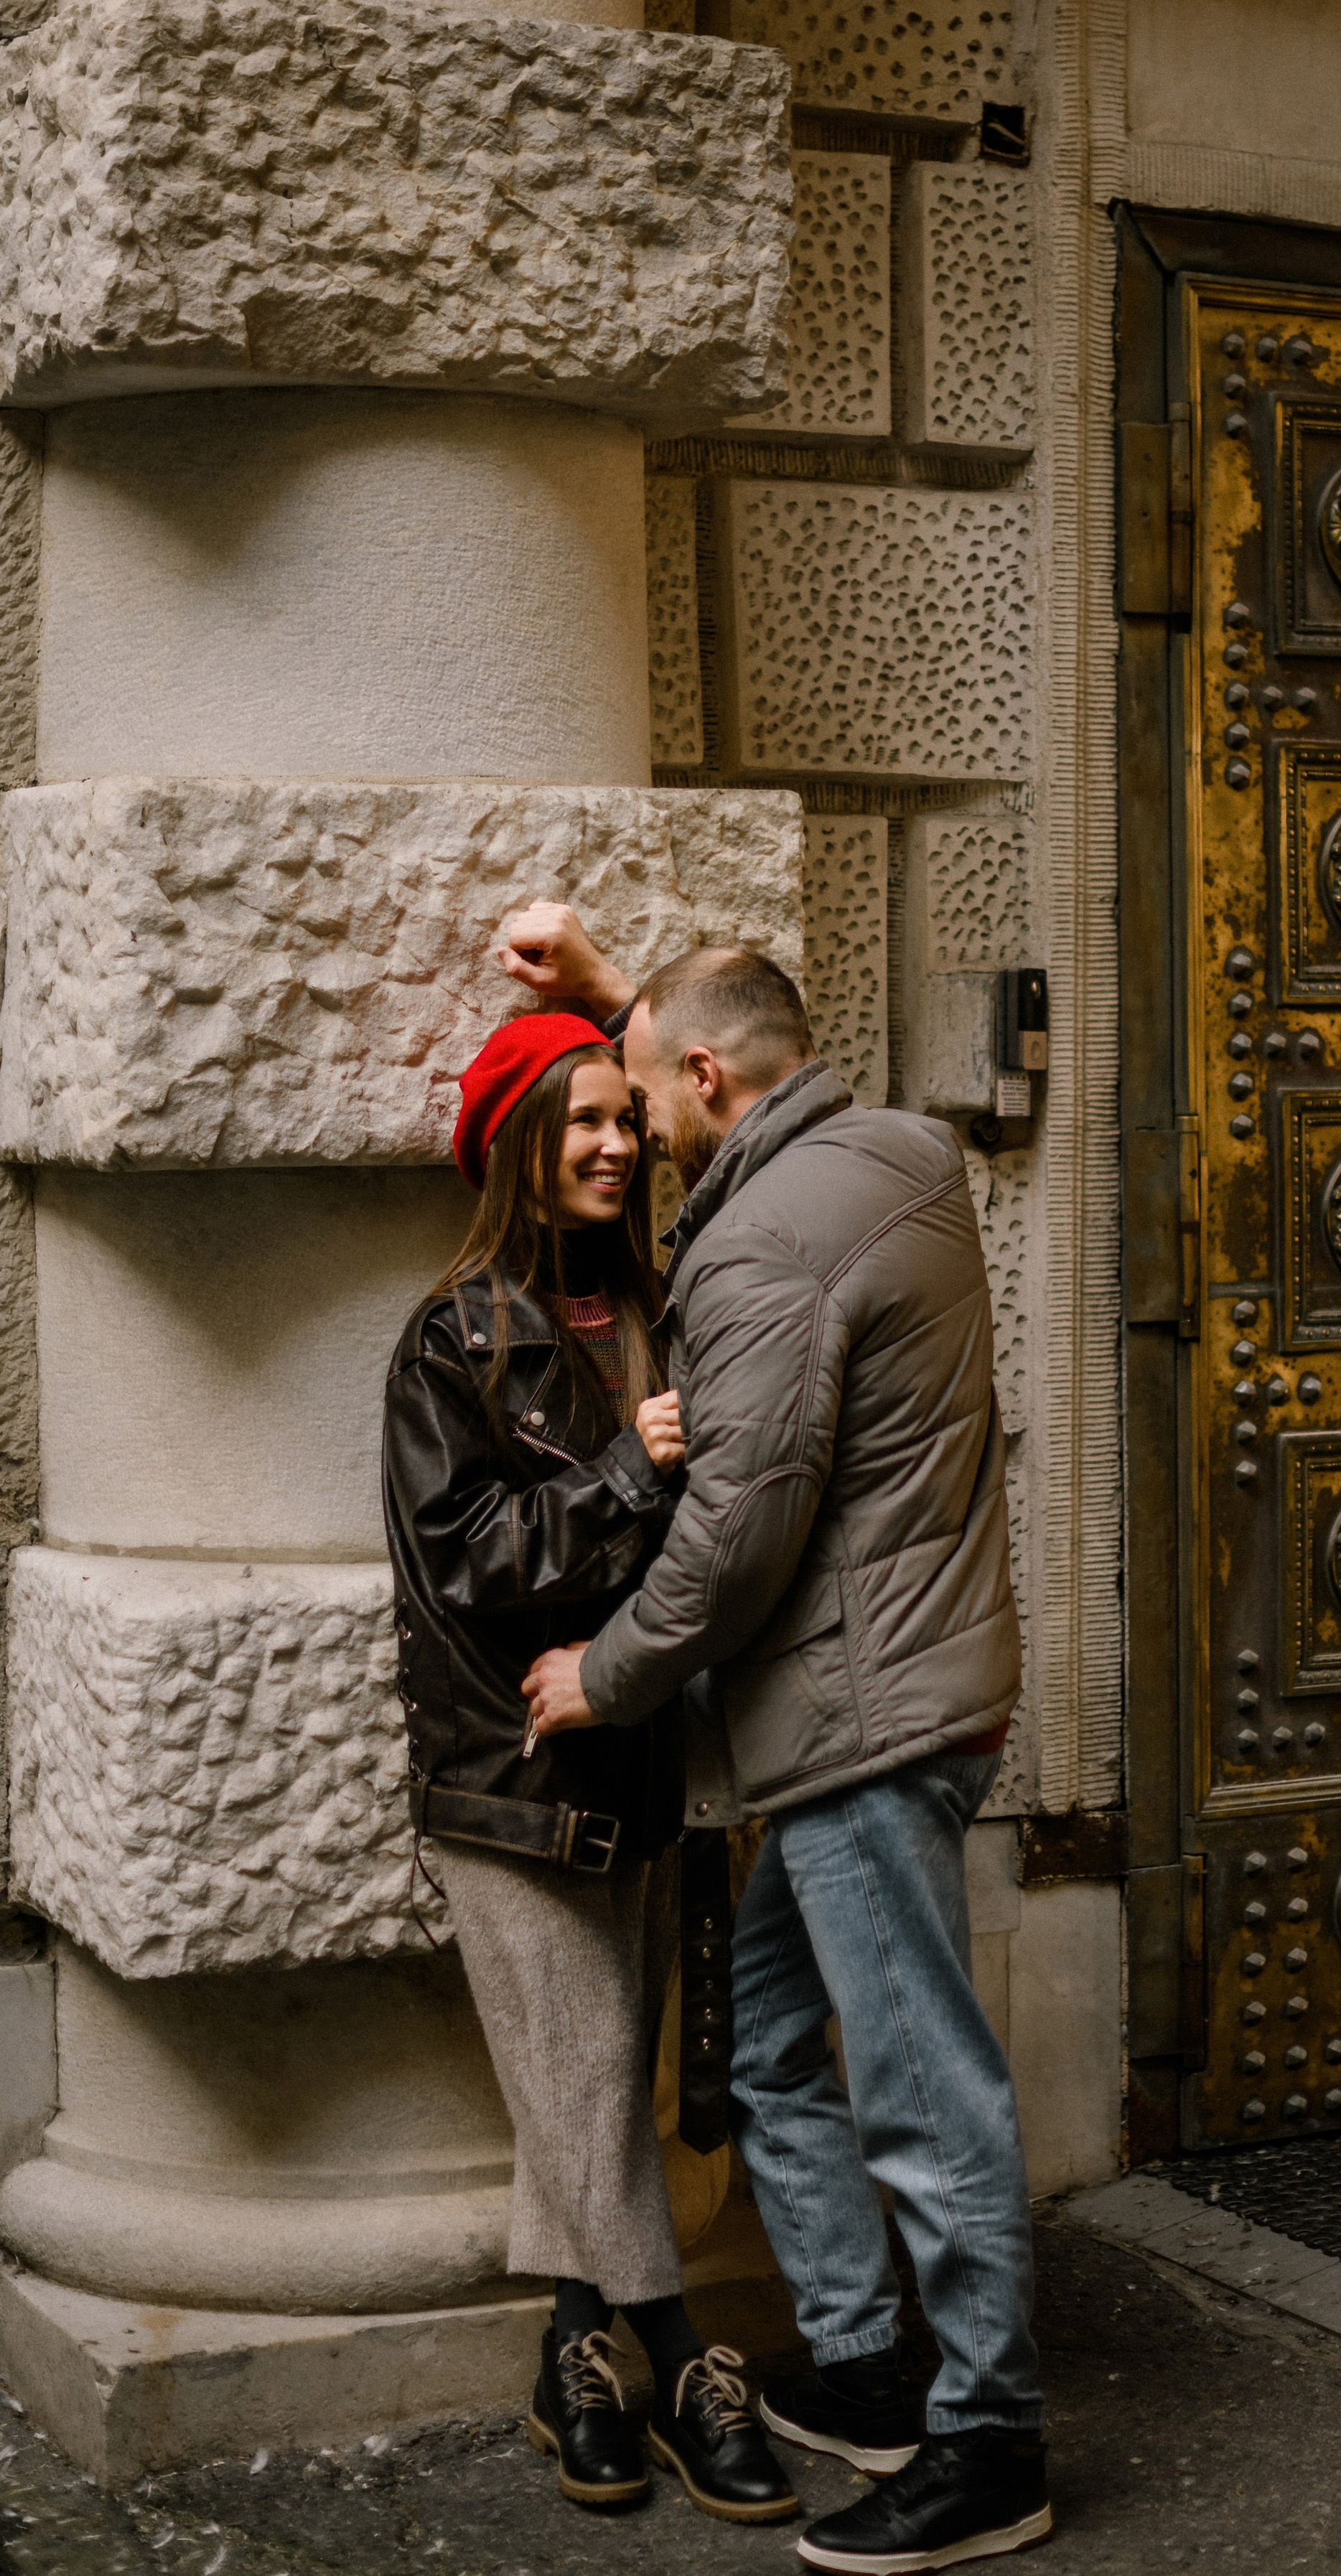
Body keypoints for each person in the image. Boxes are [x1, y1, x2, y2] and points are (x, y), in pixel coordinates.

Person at [519, 944, 1051, 2575]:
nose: (648, 1142)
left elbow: (737, 1536)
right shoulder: (895, 1154)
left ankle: (983, 2441)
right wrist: (631, 984)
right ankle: (875, 2364)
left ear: (700, 1084)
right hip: (917, 1695)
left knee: (915, 2082)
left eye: (654, 1088)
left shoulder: (755, 1250)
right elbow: (730, 1013)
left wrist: (598, 1678)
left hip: (856, 1726)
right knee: (764, 2041)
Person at [383, 1010, 795, 2529]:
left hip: (658, 1764)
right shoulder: (454, 1336)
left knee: (600, 2084)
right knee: (588, 2081)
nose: (616, 1145)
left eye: (627, 1117)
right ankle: (683, 2358)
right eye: (578, 1124)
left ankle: (575, 2356)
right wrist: (634, 1470)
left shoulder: (668, 1313)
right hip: (517, 1782)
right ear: (516, 1146)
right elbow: (470, 1562)